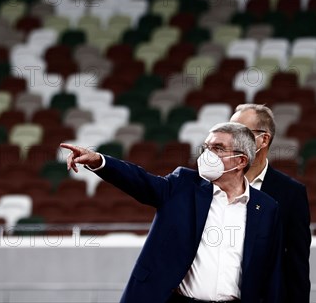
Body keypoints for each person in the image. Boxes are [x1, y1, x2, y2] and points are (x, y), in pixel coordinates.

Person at [61, 122, 282, 303]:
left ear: (241, 160)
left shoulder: (266, 208)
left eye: (217, 148)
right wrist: (99, 161)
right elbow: (139, 181)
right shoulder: (183, 185)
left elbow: (271, 274)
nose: (207, 154)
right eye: (206, 147)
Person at [230, 103, 311, 302]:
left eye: (238, 131)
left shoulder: (291, 193)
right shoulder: (211, 184)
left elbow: (296, 266)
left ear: (263, 139)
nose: (229, 138)